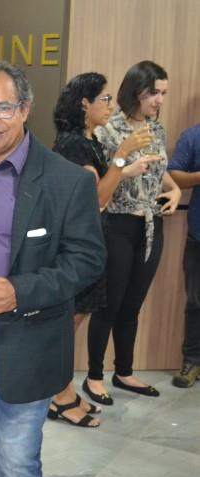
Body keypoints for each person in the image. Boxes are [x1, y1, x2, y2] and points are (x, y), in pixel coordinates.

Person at [0, 58, 106, 477]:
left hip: (29, 341)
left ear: (25, 109)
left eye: (3, 107)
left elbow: (88, 259)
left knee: (16, 456)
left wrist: (19, 291)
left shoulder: (66, 180)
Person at [50, 72, 157, 427]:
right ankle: (58, 396)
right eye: (105, 99)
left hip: (91, 241)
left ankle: (62, 389)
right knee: (65, 325)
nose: (110, 105)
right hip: (73, 247)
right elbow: (96, 198)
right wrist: (122, 156)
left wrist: (123, 168)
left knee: (73, 322)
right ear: (85, 103)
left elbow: (103, 187)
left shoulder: (89, 140)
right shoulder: (72, 144)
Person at [84, 61, 181, 404]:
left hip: (151, 226)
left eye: (163, 94)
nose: (159, 100)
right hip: (117, 224)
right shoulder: (108, 129)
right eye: (154, 93)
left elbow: (159, 168)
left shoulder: (156, 129)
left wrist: (175, 190)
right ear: (136, 91)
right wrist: (127, 165)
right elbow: (101, 179)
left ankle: (123, 371)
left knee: (132, 305)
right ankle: (94, 376)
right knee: (108, 305)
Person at [168, 122, 200, 388]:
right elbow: (174, 174)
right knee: (196, 301)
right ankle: (193, 360)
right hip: (199, 235)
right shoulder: (193, 135)